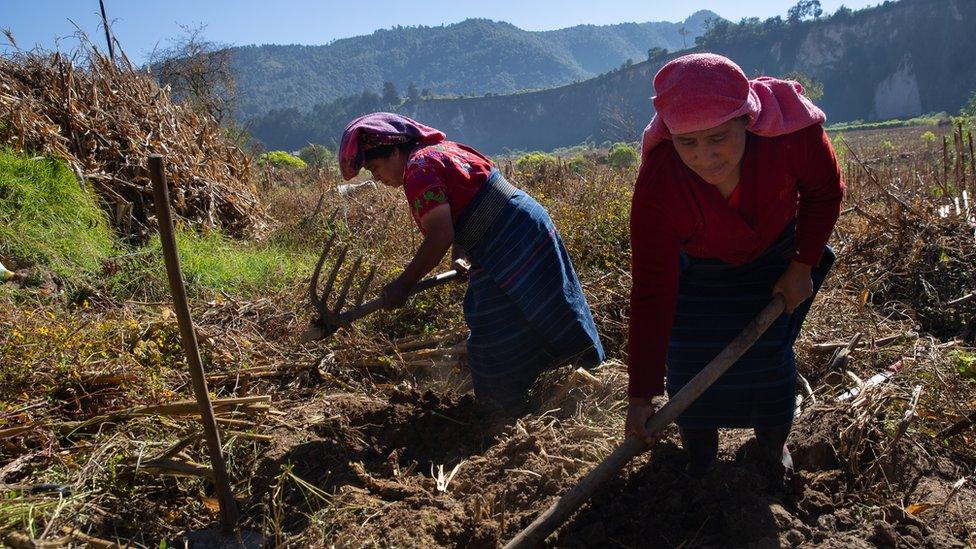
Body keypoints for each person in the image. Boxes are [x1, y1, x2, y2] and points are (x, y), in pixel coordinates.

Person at [624, 54, 844, 477]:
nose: (705, 157)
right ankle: (701, 462)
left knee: (767, 365)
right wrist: (640, 396)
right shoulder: (659, 183)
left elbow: (824, 191)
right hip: (699, 271)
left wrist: (802, 266)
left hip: (775, 256)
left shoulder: (790, 135)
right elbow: (652, 290)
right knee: (688, 365)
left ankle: (771, 451)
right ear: (671, 137)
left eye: (718, 138)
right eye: (688, 143)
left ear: (747, 119)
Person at [339, 113, 605, 413]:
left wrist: (404, 284)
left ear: (396, 151)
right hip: (514, 228)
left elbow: (440, 233)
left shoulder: (419, 169)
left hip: (514, 235)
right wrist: (460, 251)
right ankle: (510, 410)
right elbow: (469, 200)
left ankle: (588, 387)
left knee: (548, 310)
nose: (377, 178)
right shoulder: (441, 151)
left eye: (376, 167)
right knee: (495, 321)